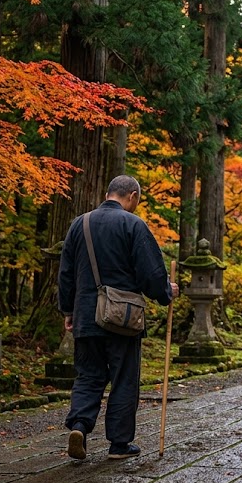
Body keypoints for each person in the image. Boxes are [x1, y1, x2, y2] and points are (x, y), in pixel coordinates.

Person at [57, 175, 177, 460]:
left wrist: (67, 311)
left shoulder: (79, 223)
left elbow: (66, 272)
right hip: (123, 317)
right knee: (124, 378)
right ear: (132, 196)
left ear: (108, 193)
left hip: (86, 314)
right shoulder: (133, 225)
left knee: (88, 376)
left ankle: (79, 427)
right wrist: (166, 293)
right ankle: (119, 444)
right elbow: (150, 272)